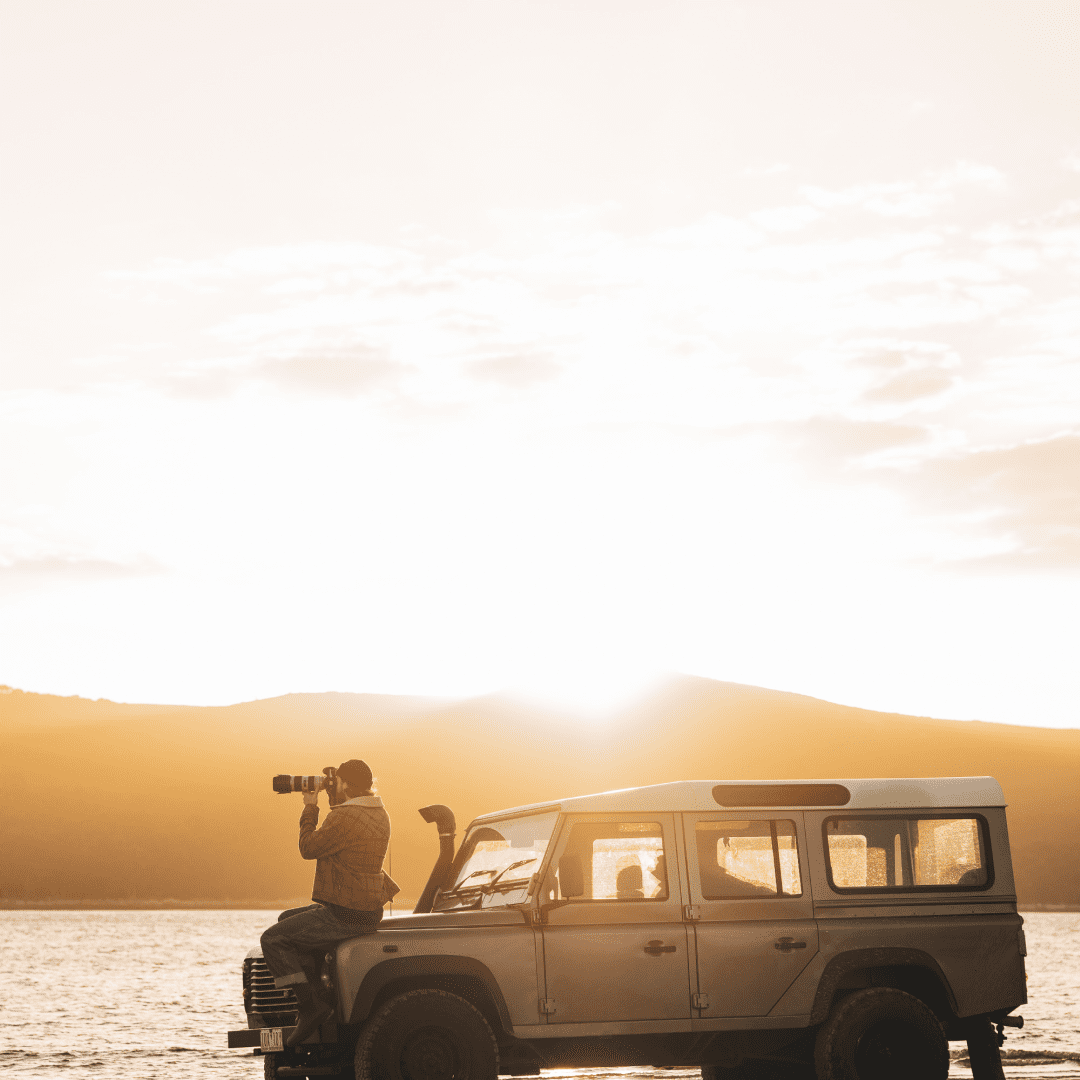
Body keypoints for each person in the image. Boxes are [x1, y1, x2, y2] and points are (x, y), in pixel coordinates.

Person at [260, 758, 398, 1046]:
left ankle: (312, 1007)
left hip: (346, 913)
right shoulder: (378, 812)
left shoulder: (344, 817)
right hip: (367, 908)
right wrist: (335, 798)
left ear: (345, 783)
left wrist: (311, 806)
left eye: (337, 783)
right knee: (287, 920)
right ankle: (320, 994)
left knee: (273, 939)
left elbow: (308, 847)